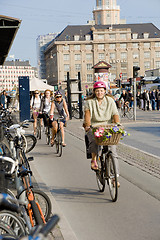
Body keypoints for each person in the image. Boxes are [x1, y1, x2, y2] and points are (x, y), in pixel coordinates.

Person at [83, 81, 120, 186]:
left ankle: (114, 178)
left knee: (113, 150)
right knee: (94, 141)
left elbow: (115, 114)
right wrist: (88, 125)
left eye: (101, 91)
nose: (99, 93)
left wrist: (117, 124)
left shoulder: (110, 100)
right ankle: (94, 160)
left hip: (108, 126)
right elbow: (87, 115)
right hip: (94, 126)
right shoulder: (89, 102)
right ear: (94, 92)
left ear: (105, 91)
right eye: (97, 91)